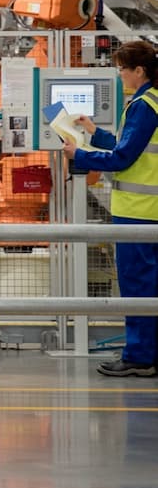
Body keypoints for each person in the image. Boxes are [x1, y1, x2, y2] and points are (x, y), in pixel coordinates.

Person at [62, 39, 158, 377]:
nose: (119, 75)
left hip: (137, 211)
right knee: (151, 285)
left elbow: (123, 158)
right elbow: (126, 145)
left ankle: (140, 357)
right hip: (149, 210)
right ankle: (149, 354)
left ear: (139, 71)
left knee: (138, 285)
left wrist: (80, 155)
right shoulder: (151, 101)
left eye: (122, 69)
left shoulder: (144, 105)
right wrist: (94, 133)